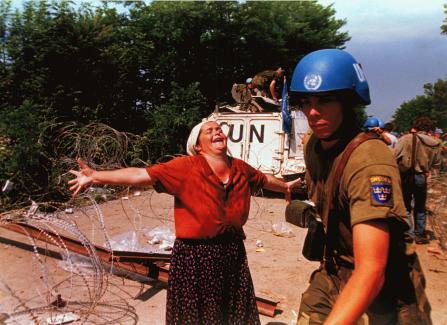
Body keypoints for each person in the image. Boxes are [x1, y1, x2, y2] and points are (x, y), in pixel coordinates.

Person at [68, 120, 300, 325]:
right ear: (198, 146)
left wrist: (286, 186)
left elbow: (264, 179)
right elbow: (141, 175)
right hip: (195, 256)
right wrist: (96, 176)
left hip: (232, 251)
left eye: (219, 129)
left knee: (234, 312)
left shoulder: (239, 167)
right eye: (209, 131)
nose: (217, 132)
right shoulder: (185, 168)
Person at [289, 49, 431, 324]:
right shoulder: (314, 147)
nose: (312, 112)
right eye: (306, 102)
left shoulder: (369, 160)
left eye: (325, 100)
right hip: (334, 269)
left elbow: (372, 269)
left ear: (347, 102)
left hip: (386, 289)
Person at [394, 117, 441, 244]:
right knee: (420, 206)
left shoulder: (406, 139)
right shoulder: (435, 143)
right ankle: (420, 234)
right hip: (422, 177)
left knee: (406, 205)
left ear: (416, 127)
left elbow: (394, 156)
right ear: (429, 129)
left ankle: (408, 233)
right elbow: (437, 165)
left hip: (406, 176)